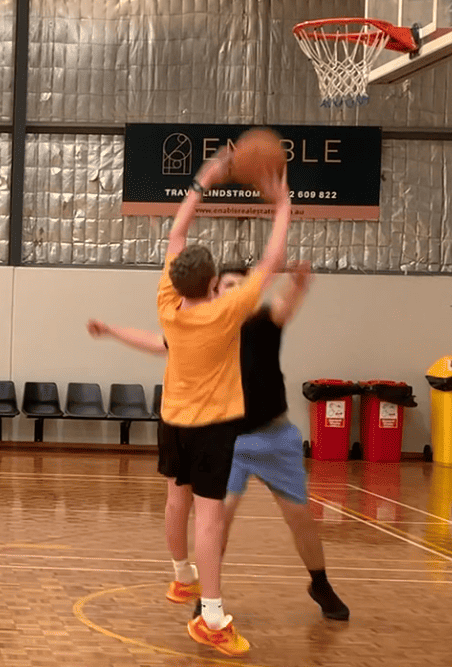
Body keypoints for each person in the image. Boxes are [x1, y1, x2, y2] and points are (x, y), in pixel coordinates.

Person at [87, 261, 350, 623]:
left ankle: (319, 583)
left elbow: (286, 301)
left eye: (240, 285)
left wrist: (300, 284)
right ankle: (210, 599)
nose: (233, 290)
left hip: (274, 438)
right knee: (217, 522)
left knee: (300, 519)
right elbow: (155, 342)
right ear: (214, 291)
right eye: (226, 285)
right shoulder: (202, 328)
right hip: (228, 440)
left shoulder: (264, 320)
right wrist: (111, 329)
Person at [150, 137, 291, 657]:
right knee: (208, 517)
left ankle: (179, 577)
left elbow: (176, 231)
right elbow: (273, 261)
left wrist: (204, 179)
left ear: (177, 280)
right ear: (214, 284)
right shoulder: (226, 311)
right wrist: (282, 206)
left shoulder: (169, 302)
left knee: (175, 499)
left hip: (171, 420)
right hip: (211, 428)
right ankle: (211, 617)